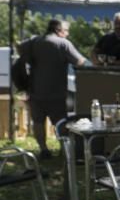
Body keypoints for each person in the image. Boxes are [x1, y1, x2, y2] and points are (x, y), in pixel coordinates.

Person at [18, 20, 87, 159]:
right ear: (59, 30)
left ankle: (43, 150)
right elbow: (80, 62)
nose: (67, 34)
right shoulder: (63, 43)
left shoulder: (34, 41)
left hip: (35, 90)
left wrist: (30, 59)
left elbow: (19, 47)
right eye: (66, 31)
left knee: (38, 122)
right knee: (61, 122)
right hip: (56, 92)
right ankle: (65, 150)